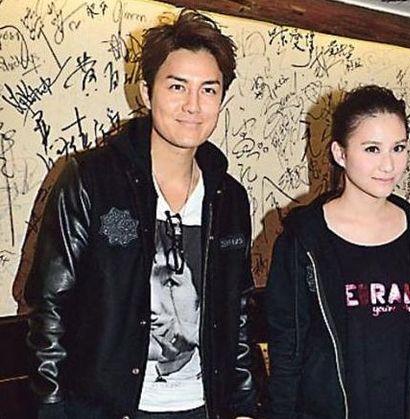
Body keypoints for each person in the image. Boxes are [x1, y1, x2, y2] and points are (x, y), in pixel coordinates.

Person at [25, 9, 256, 419]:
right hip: (105, 408)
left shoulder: (229, 197)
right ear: (147, 93)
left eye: (208, 90)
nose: (193, 105)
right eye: (177, 86)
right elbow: (50, 305)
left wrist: (242, 406)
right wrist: (51, 406)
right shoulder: (91, 179)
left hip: (204, 406)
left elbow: (236, 312)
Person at [265, 85, 410, 418]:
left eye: (398, 148)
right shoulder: (304, 242)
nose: (389, 165)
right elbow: (287, 354)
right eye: (372, 149)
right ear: (340, 154)